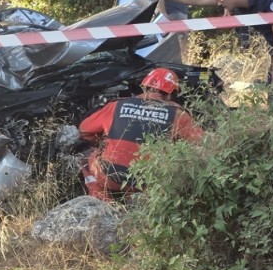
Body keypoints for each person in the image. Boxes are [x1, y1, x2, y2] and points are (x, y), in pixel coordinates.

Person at [78, 67, 203, 202]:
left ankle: (102, 202)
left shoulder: (117, 105)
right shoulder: (178, 115)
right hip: (150, 182)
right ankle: (137, 199)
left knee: (85, 161)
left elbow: (84, 130)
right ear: (170, 94)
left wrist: (101, 141)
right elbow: (203, 143)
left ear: (144, 87)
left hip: (109, 178)